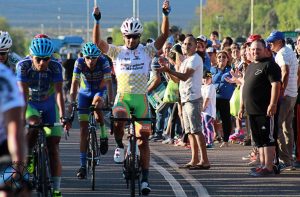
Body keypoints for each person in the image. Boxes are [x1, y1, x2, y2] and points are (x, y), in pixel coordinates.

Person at [92, 0, 171, 194]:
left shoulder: (147, 51)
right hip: (123, 98)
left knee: (143, 139)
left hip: (141, 99)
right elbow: (97, 43)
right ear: (123, 36)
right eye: (127, 36)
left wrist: (166, 15)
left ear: (139, 36)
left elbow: (164, 36)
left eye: (134, 37)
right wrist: (97, 21)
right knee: (118, 116)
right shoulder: (117, 52)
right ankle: (119, 144)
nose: (130, 40)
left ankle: (145, 179)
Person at [16, 37, 70, 197]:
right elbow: (23, 95)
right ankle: (29, 154)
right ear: (31, 56)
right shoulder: (23, 66)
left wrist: (63, 116)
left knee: (53, 147)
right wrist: (21, 120)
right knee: (33, 124)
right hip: (30, 104)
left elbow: (60, 93)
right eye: (38, 59)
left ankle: (57, 189)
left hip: (48, 103)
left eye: (45, 59)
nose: (41, 63)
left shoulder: (55, 66)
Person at [158, 35, 210, 170]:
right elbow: (177, 80)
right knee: (190, 132)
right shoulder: (186, 60)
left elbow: (185, 76)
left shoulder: (195, 59)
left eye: (189, 44)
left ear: (195, 46)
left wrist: (169, 70)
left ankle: (205, 160)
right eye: (185, 44)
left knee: (197, 130)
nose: (186, 46)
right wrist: (167, 70)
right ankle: (194, 159)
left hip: (193, 99)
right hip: (185, 98)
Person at [69, 42, 112, 179]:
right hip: (84, 94)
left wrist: (110, 101)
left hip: (99, 90)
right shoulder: (79, 62)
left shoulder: (103, 61)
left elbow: (109, 82)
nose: (91, 61)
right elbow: (74, 82)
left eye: (94, 58)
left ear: (98, 56)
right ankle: (82, 166)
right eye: (88, 57)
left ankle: (103, 135)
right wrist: (71, 100)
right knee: (83, 131)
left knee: (97, 106)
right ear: (83, 56)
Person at [239, 39, 281, 176]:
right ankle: (263, 165)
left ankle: (269, 167)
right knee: (259, 140)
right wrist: (242, 107)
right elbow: (245, 87)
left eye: (258, 49)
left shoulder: (270, 65)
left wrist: (273, 104)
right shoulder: (251, 66)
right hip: (252, 110)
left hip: (265, 110)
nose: (255, 52)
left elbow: (276, 85)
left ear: (265, 50)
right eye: (252, 49)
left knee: (267, 138)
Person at [266, 31, 298, 170]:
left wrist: (282, 91)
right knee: (287, 128)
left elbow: (285, 71)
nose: (270, 44)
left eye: (272, 41)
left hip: (286, 96)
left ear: (279, 41)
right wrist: (294, 88)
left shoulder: (282, 54)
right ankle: (289, 159)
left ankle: (285, 159)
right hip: (292, 95)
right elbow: (298, 72)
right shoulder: (290, 51)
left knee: (277, 127)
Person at [0, 62, 29, 197]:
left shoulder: (4, 77)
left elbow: (15, 132)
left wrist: (19, 168)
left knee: (12, 190)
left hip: (2, 144)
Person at [210, 50, 235, 147]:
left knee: (226, 119)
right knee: (211, 118)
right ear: (216, 59)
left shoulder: (231, 69)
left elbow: (236, 81)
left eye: (224, 57)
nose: (221, 59)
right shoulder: (211, 69)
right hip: (213, 98)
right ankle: (213, 136)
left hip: (226, 98)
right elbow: (206, 81)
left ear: (227, 59)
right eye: (219, 57)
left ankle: (226, 140)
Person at [201, 70, 216, 149]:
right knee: (203, 126)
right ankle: (205, 141)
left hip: (209, 111)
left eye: (207, 78)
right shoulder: (203, 87)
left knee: (208, 125)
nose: (205, 80)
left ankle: (210, 142)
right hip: (203, 111)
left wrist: (203, 108)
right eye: (203, 78)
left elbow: (207, 99)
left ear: (211, 78)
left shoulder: (211, 87)